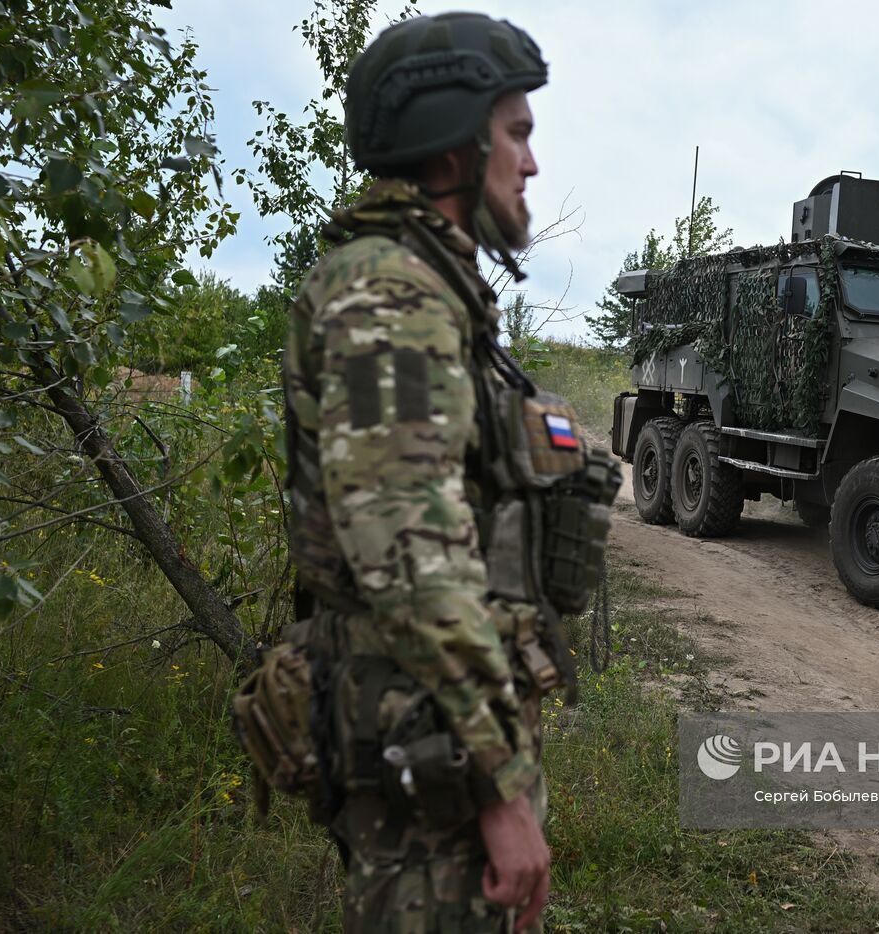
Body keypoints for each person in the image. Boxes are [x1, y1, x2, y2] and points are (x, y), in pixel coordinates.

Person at [279, 12, 617, 932]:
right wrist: (501, 790)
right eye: (518, 133)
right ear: (453, 143)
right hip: (433, 762)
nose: (532, 164)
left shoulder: (432, 290)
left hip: (444, 744)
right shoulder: (390, 292)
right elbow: (408, 554)